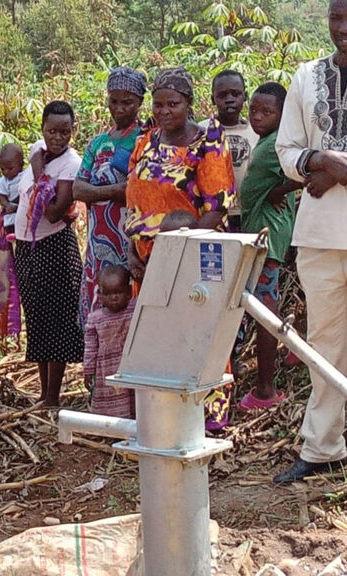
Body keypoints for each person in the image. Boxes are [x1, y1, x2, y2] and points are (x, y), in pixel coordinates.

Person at [126, 67, 235, 430]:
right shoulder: (146, 141)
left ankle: (208, 418)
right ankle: (166, 416)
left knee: (198, 333)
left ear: (188, 103)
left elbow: (217, 209)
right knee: (158, 336)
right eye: (158, 105)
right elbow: (134, 200)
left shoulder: (208, 143)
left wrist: (172, 256)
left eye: (172, 104)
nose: (164, 111)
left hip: (190, 260)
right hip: (146, 262)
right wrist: (132, 252)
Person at [273, 0, 347, 484]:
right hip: (321, 236)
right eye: (335, 18)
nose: (343, 29)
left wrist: (337, 170)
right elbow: (286, 152)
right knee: (326, 345)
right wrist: (320, 161)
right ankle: (323, 448)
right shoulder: (307, 76)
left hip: (324, 214)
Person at [14, 100, 85, 406]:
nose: (58, 137)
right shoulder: (35, 150)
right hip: (27, 248)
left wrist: (41, 174)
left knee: (57, 321)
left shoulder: (71, 163)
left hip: (54, 247)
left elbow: (56, 213)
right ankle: (43, 394)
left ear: (74, 130)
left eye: (65, 131)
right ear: (42, 128)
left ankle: (52, 397)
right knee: (39, 319)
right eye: (52, 130)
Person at [236, 82, 299, 412]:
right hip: (260, 234)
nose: (258, 117)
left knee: (264, 311)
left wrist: (281, 190)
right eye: (254, 110)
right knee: (263, 306)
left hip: (268, 239)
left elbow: (305, 168)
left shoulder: (279, 144)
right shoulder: (268, 140)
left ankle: (265, 389)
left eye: (267, 112)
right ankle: (292, 353)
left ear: (282, 113)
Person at [73, 66, 146, 323]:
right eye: (113, 101)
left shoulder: (144, 139)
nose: (119, 108)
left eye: (127, 102)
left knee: (129, 306)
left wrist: (98, 193)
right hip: (97, 240)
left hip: (129, 238)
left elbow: (138, 190)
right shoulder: (97, 142)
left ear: (140, 102)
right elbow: (77, 189)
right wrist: (115, 190)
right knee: (99, 307)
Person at [200, 70, 258, 230]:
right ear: (213, 99)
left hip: (249, 212)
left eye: (235, 94)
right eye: (222, 95)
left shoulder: (257, 131)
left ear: (245, 96)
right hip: (212, 215)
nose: (229, 100)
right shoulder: (202, 131)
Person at [83, 265, 136, 418]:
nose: (113, 298)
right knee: (110, 402)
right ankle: (110, 429)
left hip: (129, 366)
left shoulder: (134, 311)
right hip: (106, 370)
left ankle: (131, 428)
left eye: (118, 292)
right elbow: (90, 348)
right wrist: (88, 371)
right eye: (108, 294)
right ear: (100, 295)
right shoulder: (95, 319)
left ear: (129, 292)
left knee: (132, 400)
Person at [0, 143, 25, 341]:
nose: (6, 172)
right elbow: (2, 198)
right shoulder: (3, 181)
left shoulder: (25, 176)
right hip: (10, 221)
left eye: (10, 168)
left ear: (20, 164)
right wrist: (7, 205)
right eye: (2, 169)